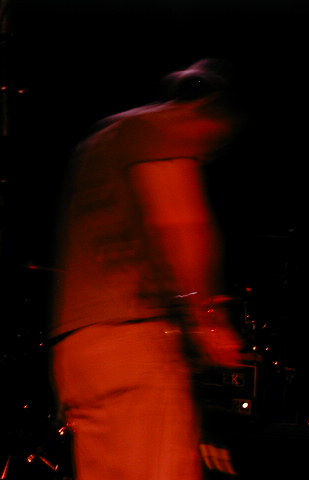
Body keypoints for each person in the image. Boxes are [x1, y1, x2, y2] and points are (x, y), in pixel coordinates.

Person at [50, 59, 244, 480]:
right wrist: (209, 320)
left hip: (79, 353)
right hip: (132, 344)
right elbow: (181, 225)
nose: (208, 152)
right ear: (203, 109)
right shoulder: (161, 130)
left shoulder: (103, 138)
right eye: (214, 137)